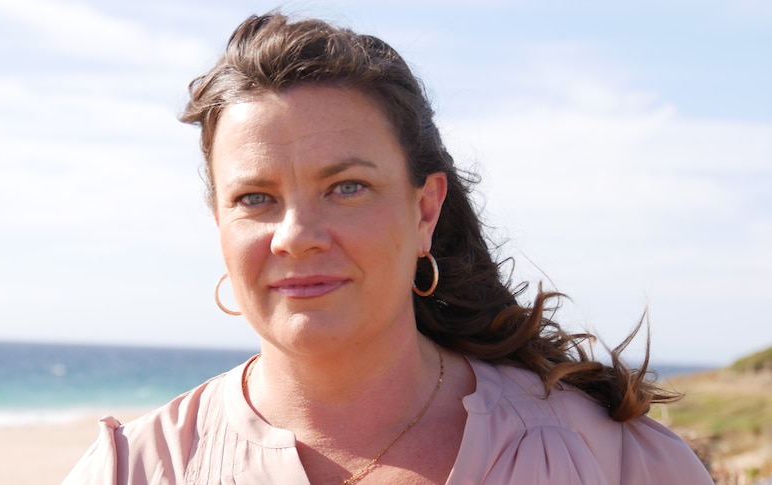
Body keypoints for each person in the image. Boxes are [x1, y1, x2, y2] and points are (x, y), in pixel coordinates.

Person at [64, 11, 713, 485]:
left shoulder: (607, 459)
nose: (295, 235)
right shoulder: (134, 471)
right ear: (218, 226)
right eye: (254, 198)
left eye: (347, 187)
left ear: (425, 208)